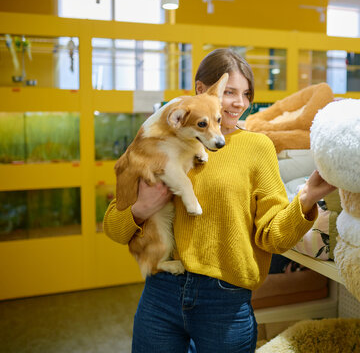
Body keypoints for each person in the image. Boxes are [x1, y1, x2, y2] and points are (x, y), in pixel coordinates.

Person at [103, 48, 336, 353]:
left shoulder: (257, 147)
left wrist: (306, 199)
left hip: (224, 300)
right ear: (202, 90)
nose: (240, 103)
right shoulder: (162, 139)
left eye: (246, 93)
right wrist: (142, 207)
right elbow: (113, 227)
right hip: (161, 292)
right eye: (229, 92)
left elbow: (272, 236)